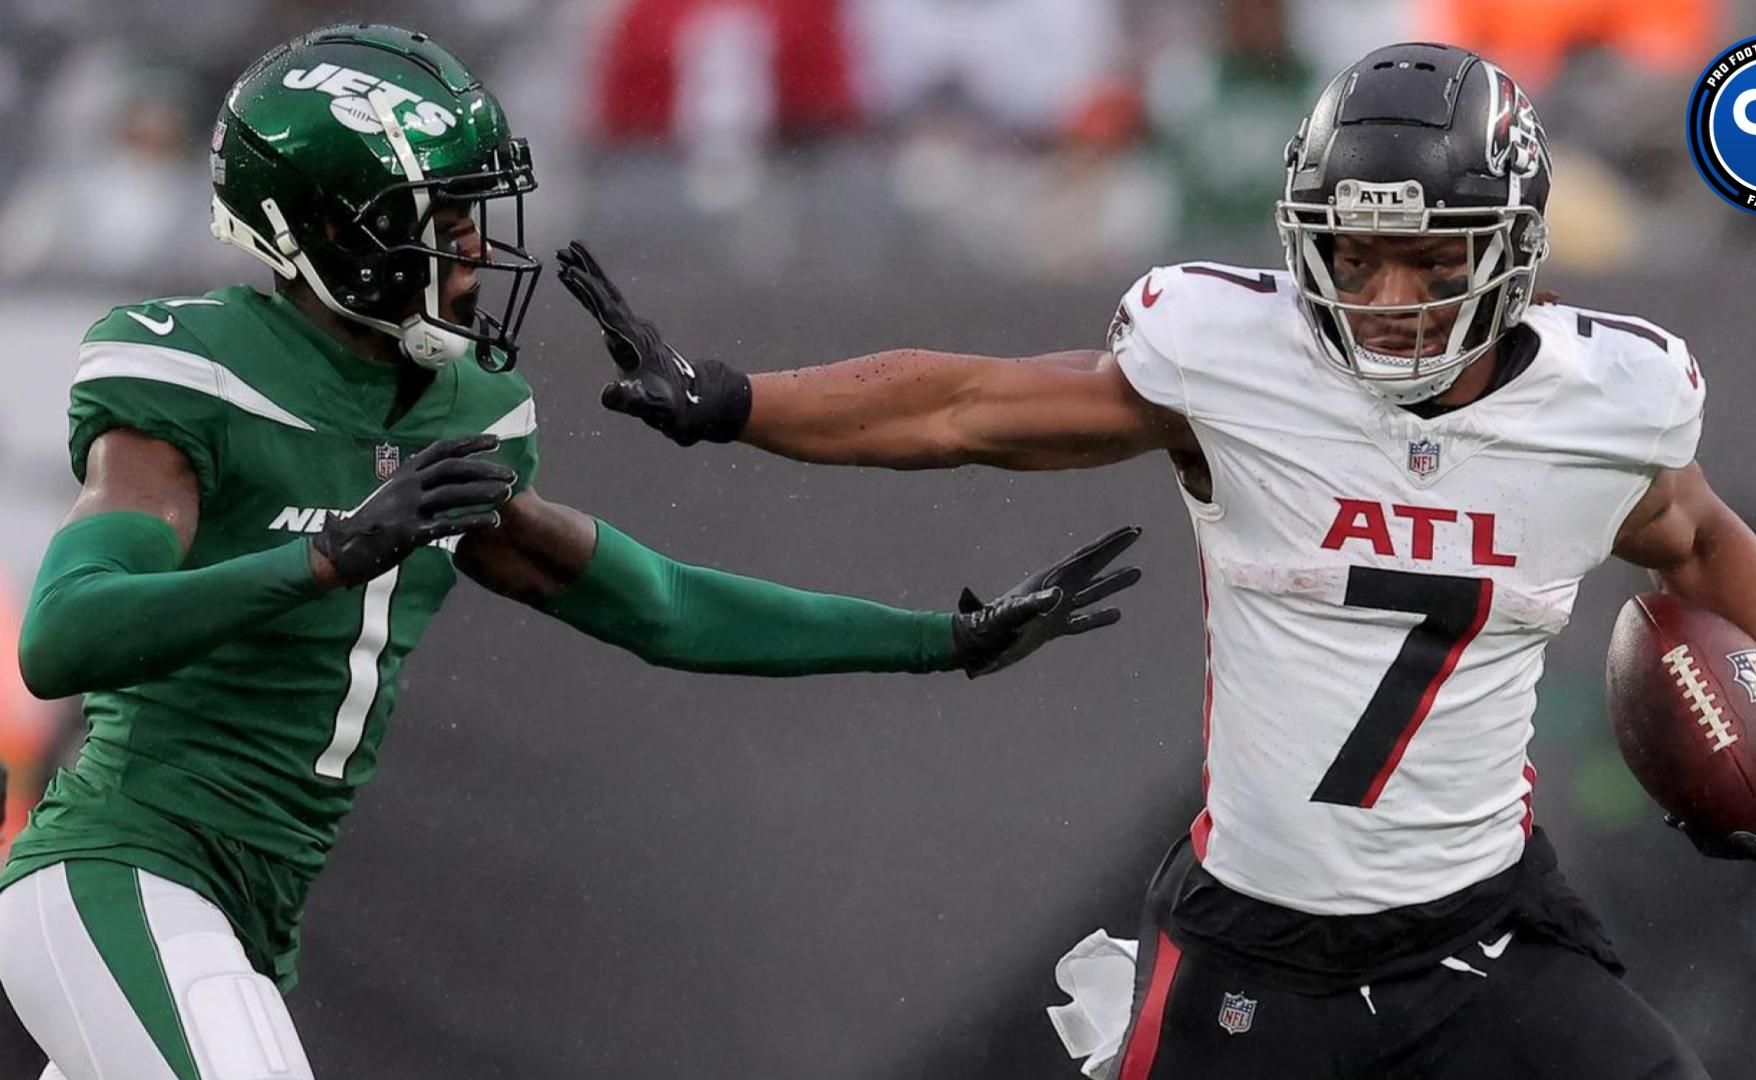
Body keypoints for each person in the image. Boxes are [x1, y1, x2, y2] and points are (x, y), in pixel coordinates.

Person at [559, 42, 1756, 1080]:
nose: (1390, 293)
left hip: (1486, 937)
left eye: (1428, 255)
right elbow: (965, 408)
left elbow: (1697, 538)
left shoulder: (1601, 406)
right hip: (1259, 961)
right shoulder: (1235, 366)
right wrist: (741, 399)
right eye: (1355, 251)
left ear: (1510, 253)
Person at [0, 24, 1142, 1080]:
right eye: (438, 225)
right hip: (123, 867)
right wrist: (333, 555)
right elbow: (64, 636)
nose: (472, 254)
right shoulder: (196, 369)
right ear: (330, 230)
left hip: (246, 909)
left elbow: (659, 604)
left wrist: (935, 640)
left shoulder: (464, 407)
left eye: (472, 220)